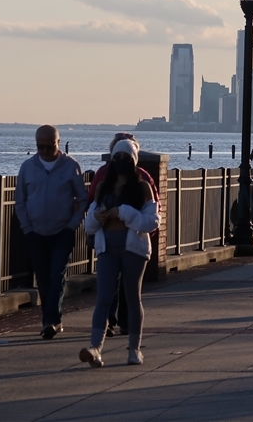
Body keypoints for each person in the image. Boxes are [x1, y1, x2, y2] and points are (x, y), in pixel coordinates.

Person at [80, 140, 159, 368]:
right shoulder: (103, 187)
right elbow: (89, 225)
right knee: (103, 298)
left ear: (133, 161)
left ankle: (134, 350)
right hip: (107, 248)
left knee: (132, 298)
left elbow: (152, 221)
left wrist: (125, 212)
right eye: (116, 158)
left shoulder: (143, 187)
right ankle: (95, 348)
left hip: (133, 248)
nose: (120, 162)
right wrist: (97, 217)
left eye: (125, 158)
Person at [15, 125, 88, 340]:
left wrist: (72, 225)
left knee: (56, 275)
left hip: (62, 231)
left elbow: (82, 199)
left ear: (58, 142)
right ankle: (53, 318)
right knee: (44, 278)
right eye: (40, 147)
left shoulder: (71, 166)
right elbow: (20, 201)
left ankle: (50, 321)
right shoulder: (28, 167)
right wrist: (27, 227)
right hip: (35, 232)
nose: (45, 150)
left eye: (49, 146)